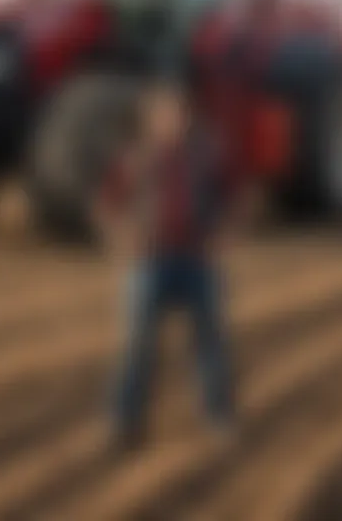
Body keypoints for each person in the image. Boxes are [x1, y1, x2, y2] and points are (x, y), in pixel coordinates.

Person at [93, 77, 245, 450]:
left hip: (198, 262)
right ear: (149, 119)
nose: (170, 120)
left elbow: (236, 197)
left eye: (176, 113)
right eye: (162, 114)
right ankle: (123, 423)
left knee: (211, 345)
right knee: (137, 347)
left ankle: (218, 418)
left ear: (186, 116)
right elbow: (106, 203)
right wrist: (121, 237)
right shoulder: (134, 157)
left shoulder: (209, 154)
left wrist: (227, 232)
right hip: (150, 263)